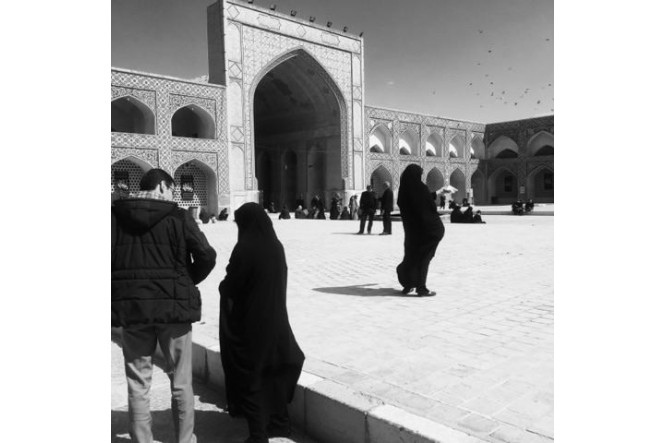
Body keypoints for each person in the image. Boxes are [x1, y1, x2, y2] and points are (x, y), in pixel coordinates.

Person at [112, 168, 217, 443]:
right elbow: (206, 256)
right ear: (162, 186)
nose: (173, 196)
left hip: (133, 311)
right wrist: (185, 281)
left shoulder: (115, 217)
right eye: (172, 190)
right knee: (181, 382)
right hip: (174, 312)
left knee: (138, 384)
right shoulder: (178, 217)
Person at [218, 203, 305, 443]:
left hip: (252, 323)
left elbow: (232, 285)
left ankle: (258, 435)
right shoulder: (276, 246)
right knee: (275, 372)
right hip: (277, 320)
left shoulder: (245, 248)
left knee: (252, 375)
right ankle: (280, 424)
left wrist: (223, 287)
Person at [396, 164, 444, 296]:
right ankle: (421, 287)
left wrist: (436, 193)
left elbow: (418, 199)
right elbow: (427, 203)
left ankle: (408, 284)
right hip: (428, 231)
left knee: (411, 257)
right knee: (424, 258)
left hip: (412, 233)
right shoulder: (421, 188)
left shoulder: (403, 192)